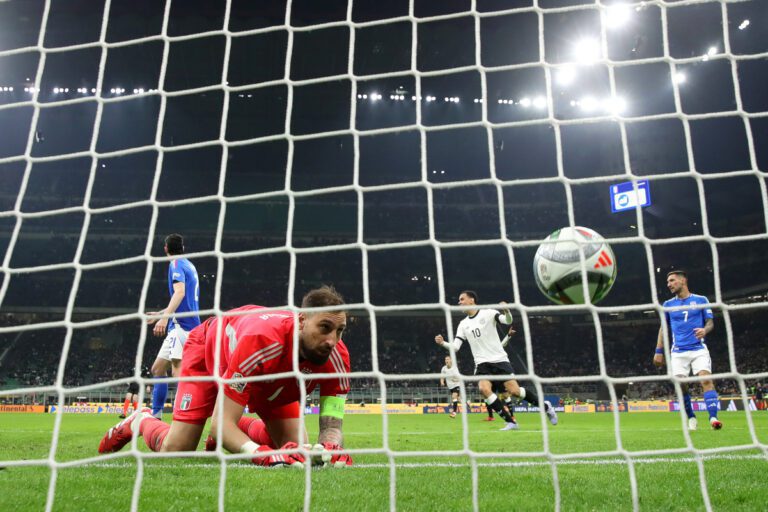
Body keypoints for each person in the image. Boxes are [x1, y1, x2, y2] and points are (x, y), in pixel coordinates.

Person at [99, 286, 353, 468]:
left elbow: (332, 426)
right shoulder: (262, 341)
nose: (332, 340)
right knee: (177, 450)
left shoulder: (337, 356)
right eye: (324, 328)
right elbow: (220, 427)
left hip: (273, 381)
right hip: (209, 357)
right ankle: (140, 420)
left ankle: (239, 423)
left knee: (297, 450)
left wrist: (330, 448)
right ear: (301, 321)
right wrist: (259, 453)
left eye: (339, 331)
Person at [435, 290, 557, 431]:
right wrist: (443, 343)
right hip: (482, 364)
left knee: (515, 391)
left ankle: (546, 406)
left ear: (472, 300)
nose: (459, 302)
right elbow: (455, 347)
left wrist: (506, 311)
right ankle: (511, 422)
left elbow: (508, 321)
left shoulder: (489, 313)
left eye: (462, 299)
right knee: (483, 389)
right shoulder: (463, 324)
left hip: (499, 360)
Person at [653, 270, 721, 430]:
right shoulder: (668, 305)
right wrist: (658, 350)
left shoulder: (701, 300)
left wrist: (705, 330)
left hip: (698, 349)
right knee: (680, 385)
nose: (669, 284)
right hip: (678, 352)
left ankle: (713, 418)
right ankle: (691, 417)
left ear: (683, 281)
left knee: (705, 380)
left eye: (672, 280)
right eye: (668, 282)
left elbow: (710, 322)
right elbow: (663, 328)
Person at [146, 234, 201, 419]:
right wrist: (160, 315)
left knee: (178, 373)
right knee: (158, 369)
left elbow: (179, 293)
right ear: (183, 247)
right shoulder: (189, 265)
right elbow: (183, 299)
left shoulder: (175, 264)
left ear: (165, 249)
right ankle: (157, 415)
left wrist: (164, 319)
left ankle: (183, 419)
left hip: (181, 328)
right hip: (187, 325)